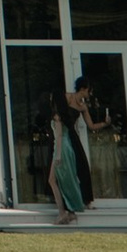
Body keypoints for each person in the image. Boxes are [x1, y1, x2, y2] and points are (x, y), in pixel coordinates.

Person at [46, 84, 91, 225]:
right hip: (66, 147)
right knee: (65, 179)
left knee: (53, 180)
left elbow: (58, 136)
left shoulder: (57, 116)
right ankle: (69, 212)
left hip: (61, 148)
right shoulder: (64, 115)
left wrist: (58, 155)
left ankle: (63, 213)